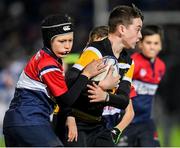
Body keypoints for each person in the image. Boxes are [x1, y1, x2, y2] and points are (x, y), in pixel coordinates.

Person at [2, 14, 107, 147]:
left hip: (16, 121)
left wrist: (69, 115)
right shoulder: (48, 63)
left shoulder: (45, 57)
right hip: (30, 121)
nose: (67, 46)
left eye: (70, 40)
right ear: (48, 40)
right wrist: (86, 74)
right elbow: (65, 100)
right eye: (62, 41)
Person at [56, 4, 143, 147]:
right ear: (122, 29)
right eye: (137, 29)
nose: (140, 36)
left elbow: (123, 100)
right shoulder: (95, 51)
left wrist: (106, 96)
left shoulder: (128, 62)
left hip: (98, 124)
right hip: (75, 122)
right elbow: (69, 81)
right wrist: (101, 86)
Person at [118, 25, 166, 147]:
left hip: (146, 122)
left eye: (156, 43)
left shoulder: (161, 66)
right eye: (148, 42)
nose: (152, 47)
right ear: (140, 44)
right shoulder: (132, 63)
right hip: (127, 122)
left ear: (160, 45)